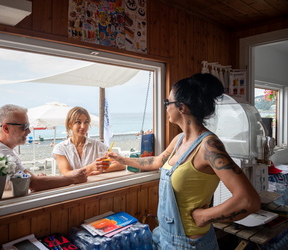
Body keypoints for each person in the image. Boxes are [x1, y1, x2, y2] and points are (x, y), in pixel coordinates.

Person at [108, 73, 261, 249]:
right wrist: (121, 159)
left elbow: (248, 200)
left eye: (168, 103)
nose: (165, 108)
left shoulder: (209, 146)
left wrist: (205, 216)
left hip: (189, 243)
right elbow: (156, 162)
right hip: (164, 237)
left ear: (182, 107)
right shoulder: (179, 140)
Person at [0, 104, 87, 193]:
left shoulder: (5, 149)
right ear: (6, 128)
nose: (28, 131)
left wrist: (37, 178)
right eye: (24, 127)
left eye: (28, 126)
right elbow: (34, 184)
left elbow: (25, 180)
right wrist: (73, 178)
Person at [52, 106, 125, 176]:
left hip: (94, 186)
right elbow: (67, 173)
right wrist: (90, 168)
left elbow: (122, 164)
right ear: (69, 124)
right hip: (72, 188)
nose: (83, 126)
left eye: (86, 122)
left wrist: (101, 170)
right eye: (78, 122)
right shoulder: (60, 148)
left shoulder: (97, 146)